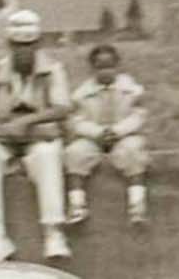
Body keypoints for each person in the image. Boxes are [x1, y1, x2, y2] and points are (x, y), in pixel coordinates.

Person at [0, 10, 73, 262]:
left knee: (48, 155)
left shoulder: (53, 70)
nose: (24, 51)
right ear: (9, 44)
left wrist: (28, 120)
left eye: (29, 44)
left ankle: (53, 233)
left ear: (38, 43)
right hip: (3, 139)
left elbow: (63, 108)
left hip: (37, 138)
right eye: (18, 45)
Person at [63, 43, 150, 226]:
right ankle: (77, 204)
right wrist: (97, 132)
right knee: (75, 153)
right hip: (94, 137)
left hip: (124, 135)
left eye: (110, 67)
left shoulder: (132, 91)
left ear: (118, 66)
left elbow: (139, 116)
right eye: (100, 68)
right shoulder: (81, 94)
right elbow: (76, 121)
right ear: (92, 68)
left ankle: (137, 204)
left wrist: (118, 131)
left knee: (133, 152)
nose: (105, 72)